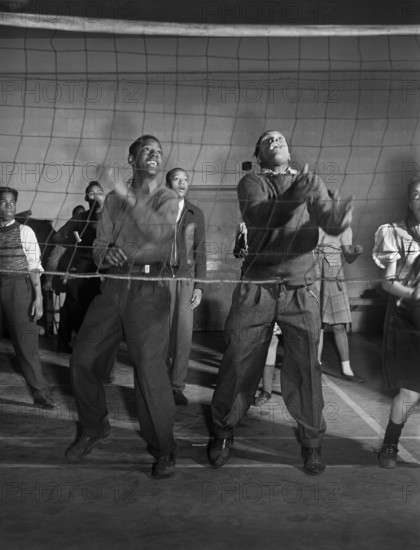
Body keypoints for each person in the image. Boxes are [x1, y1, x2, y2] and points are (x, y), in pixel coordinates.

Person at [208, 130, 353, 475]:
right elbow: (261, 217)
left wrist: (339, 217)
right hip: (258, 283)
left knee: (306, 367)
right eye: (268, 140)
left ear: (289, 151)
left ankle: (312, 443)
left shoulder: (309, 181)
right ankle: (224, 431)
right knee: (238, 361)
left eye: (281, 139)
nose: (275, 142)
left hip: (300, 287)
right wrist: (295, 195)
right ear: (258, 153)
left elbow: (327, 221)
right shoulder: (251, 182)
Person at [65, 135, 180, 480]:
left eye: (158, 151)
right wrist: (106, 255)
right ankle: (94, 426)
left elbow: (159, 237)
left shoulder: (168, 197)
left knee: (149, 369)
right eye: (146, 150)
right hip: (115, 286)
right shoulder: (113, 202)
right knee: (83, 357)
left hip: (149, 289)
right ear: (131, 159)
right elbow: (99, 245)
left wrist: (128, 203)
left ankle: (164, 447)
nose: (154, 155)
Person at [373, 175, 420, 469]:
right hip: (408, 320)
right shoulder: (395, 232)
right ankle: (389, 445)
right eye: (417, 195)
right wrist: (415, 293)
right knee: (411, 392)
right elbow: (388, 283)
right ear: (409, 201)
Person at [0, 186, 56, 409]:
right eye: (3, 202)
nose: (9, 206)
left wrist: (38, 297)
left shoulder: (25, 231)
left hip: (18, 288)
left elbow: (34, 266)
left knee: (26, 343)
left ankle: (40, 391)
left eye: (12, 202)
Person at [163, 168, 206, 406]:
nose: (182, 182)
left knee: (182, 337)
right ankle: (159, 383)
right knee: (159, 335)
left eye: (185, 179)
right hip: (159, 280)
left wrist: (200, 285)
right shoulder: (156, 210)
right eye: (177, 179)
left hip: (185, 281)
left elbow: (201, 251)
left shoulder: (195, 213)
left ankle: (176, 386)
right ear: (168, 183)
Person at [46, 183, 105, 353]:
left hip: (106, 271)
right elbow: (56, 237)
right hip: (82, 271)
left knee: (100, 311)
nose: (96, 196)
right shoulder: (79, 218)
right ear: (86, 197)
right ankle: (76, 347)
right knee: (75, 309)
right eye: (92, 193)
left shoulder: (111, 217)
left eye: (100, 193)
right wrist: (73, 243)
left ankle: (97, 353)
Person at [233, 221, 282, 407]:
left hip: (271, 287)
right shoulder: (244, 225)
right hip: (248, 288)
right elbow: (236, 252)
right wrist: (241, 247)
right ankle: (245, 388)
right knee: (247, 339)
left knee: (271, 339)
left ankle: (267, 390)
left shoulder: (279, 223)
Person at [316, 221, 364, 382]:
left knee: (339, 325)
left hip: (334, 273)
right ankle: (315, 366)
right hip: (314, 273)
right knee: (316, 324)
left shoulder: (343, 227)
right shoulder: (310, 223)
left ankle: (347, 370)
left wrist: (356, 252)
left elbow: (349, 257)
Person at [43, 205, 86, 349]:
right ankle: (77, 344)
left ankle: (64, 342)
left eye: (82, 216)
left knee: (69, 310)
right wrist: (49, 280)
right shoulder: (67, 238)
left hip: (91, 279)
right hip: (73, 279)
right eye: (76, 217)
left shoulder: (92, 233)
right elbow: (53, 259)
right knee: (75, 311)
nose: (79, 219)